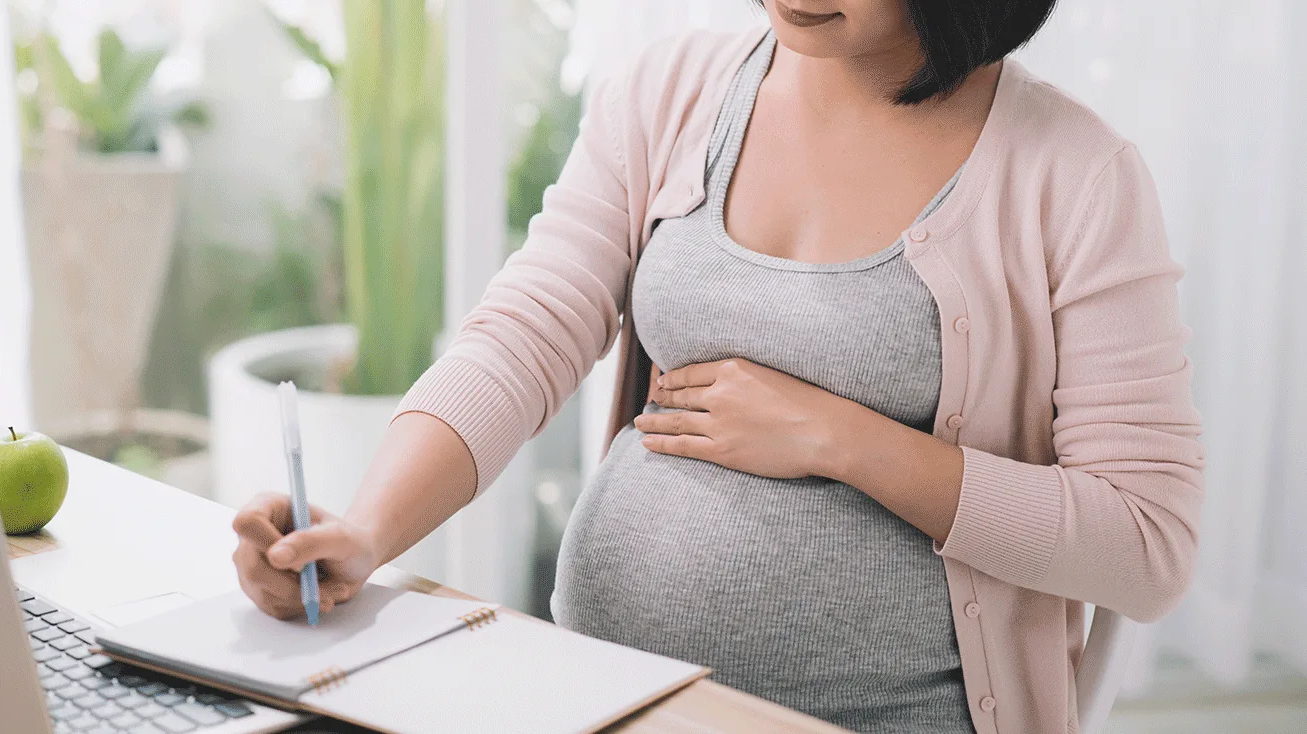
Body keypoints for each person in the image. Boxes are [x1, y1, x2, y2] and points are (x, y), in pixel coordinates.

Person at [230, 1, 1205, 731]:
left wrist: (843, 438)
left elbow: (1149, 544)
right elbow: (525, 332)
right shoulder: (672, 92)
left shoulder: (1074, 173)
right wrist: (363, 531)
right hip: (607, 693)